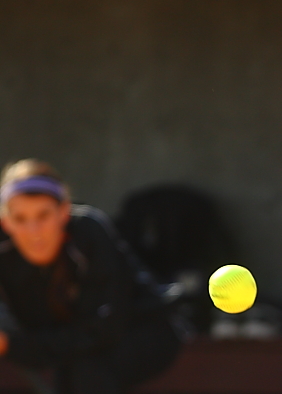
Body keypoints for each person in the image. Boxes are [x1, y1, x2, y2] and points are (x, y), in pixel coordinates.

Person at [0, 159, 183, 394]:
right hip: (73, 344)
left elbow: (104, 328)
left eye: (43, 215)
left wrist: (14, 346)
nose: (34, 232)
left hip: (141, 330)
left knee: (87, 373)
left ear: (63, 212)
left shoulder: (89, 233)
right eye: (21, 219)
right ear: (6, 223)